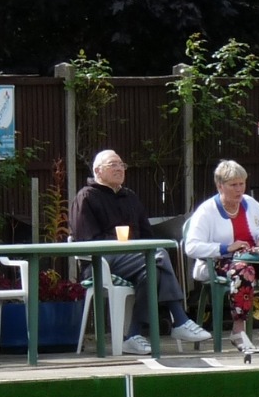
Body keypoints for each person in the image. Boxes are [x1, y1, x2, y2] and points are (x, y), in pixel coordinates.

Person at [70, 148, 212, 354]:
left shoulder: (130, 197)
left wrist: (138, 249)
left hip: (137, 262)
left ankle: (133, 334)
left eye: (121, 165)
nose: (120, 169)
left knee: (152, 269)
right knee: (159, 256)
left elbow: (147, 235)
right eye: (113, 165)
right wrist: (122, 244)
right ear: (98, 171)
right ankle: (179, 319)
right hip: (100, 262)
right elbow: (86, 240)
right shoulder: (86, 197)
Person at [183, 159, 259, 352]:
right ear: (220, 186)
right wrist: (226, 248)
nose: (239, 189)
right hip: (220, 262)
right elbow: (191, 247)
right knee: (243, 271)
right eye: (233, 185)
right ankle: (238, 330)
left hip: (253, 259)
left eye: (242, 184)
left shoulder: (252, 204)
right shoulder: (207, 211)